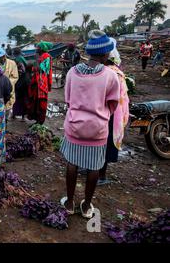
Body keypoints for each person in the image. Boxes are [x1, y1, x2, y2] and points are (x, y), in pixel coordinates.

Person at [60, 30, 120, 218]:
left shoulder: (72, 72)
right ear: (104, 54)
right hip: (98, 129)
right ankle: (86, 206)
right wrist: (99, 115)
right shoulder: (110, 76)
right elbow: (113, 103)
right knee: (94, 167)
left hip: (74, 126)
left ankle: (69, 203)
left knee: (72, 164)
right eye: (108, 52)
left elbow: (68, 100)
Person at [98, 41, 129, 185]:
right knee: (107, 143)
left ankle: (97, 172)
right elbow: (122, 98)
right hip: (112, 113)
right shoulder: (117, 74)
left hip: (102, 113)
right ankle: (101, 175)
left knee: (99, 143)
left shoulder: (102, 72)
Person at [26, 41, 53, 124]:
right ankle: (36, 119)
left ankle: (40, 121)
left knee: (41, 102)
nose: (36, 49)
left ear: (42, 48)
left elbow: (43, 69)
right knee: (35, 100)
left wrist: (35, 62)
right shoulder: (41, 56)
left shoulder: (46, 56)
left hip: (42, 81)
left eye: (38, 47)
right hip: (37, 80)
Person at [0, 48, 18, 118]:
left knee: (7, 107)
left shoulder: (12, 63)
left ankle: (5, 123)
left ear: (4, 56)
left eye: (1, 57)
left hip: (8, 89)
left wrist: (6, 83)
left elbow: (15, 77)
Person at [12, 51, 30, 121]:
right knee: (24, 98)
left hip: (19, 82)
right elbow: (25, 68)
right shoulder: (21, 59)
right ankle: (23, 116)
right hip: (24, 82)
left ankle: (14, 115)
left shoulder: (15, 60)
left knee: (16, 98)